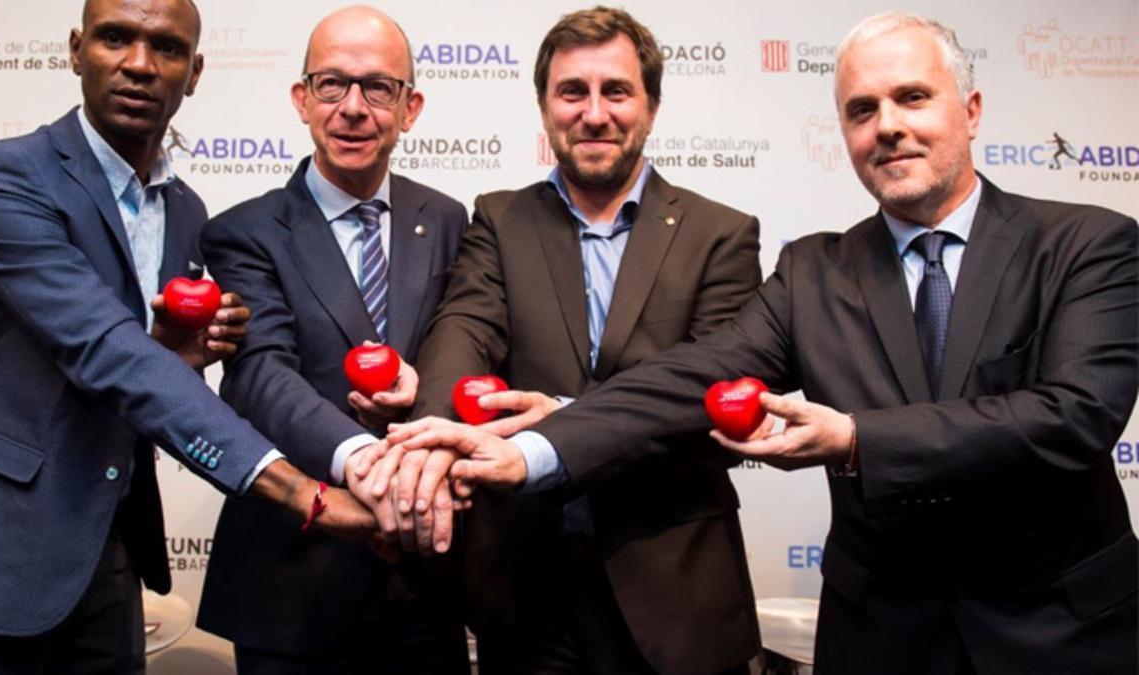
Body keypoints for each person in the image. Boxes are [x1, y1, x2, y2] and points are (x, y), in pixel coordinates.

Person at [389, 11, 1139, 675]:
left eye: (913, 97)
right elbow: (694, 375)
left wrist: (854, 438)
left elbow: (1074, 415)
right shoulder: (816, 268)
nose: (887, 125)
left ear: (970, 109)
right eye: (861, 109)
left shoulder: (1085, 243)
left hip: (1058, 631)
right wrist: (535, 448)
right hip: (882, 636)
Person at [0, 0, 376, 672]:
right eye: (117, 39)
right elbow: (105, 349)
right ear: (77, 49)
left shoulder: (184, 209)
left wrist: (175, 352)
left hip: (109, 550)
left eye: (166, 48)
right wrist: (300, 491)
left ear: (194, 72)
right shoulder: (5, 178)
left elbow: (134, 375)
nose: (140, 65)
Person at [366, 6, 764, 674]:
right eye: (572, 92)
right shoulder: (499, 217)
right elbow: (463, 329)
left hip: (676, 593)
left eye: (616, 91)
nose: (594, 112)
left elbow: (709, 394)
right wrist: (426, 444)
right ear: (546, 106)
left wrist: (567, 420)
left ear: (652, 105)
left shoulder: (720, 234)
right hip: (526, 588)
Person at [195, 6, 470, 674]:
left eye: (378, 87)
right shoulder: (244, 231)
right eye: (331, 84)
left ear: (410, 108)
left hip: (425, 582)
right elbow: (261, 375)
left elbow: (463, 350)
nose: (353, 107)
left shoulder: (448, 217)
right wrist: (363, 463)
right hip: (291, 581)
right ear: (301, 99)